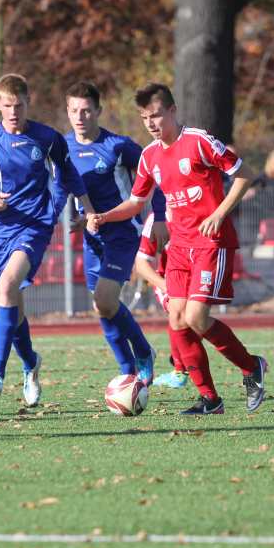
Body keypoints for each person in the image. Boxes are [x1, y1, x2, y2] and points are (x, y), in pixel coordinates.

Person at [88, 83, 267, 416]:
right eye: (145, 118)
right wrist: (106, 216)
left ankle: (251, 366)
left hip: (210, 241)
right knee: (177, 318)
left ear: (172, 111)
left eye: (156, 115)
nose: (152, 123)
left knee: (196, 317)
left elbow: (245, 175)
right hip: (180, 245)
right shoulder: (149, 156)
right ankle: (210, 400)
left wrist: (218, 214)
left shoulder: (199, 142)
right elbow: (136, 202)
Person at [0, 73, 93, 406]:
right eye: (7, 105)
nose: (13, 112)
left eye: (18, 105)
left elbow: (68, 174)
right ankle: (30, 365)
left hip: (35, 226)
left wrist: (85, 209)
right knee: (14, 309)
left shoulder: (47, 138)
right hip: (1, 230)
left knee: (7, 287)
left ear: (27, 103)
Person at [63, 81, 163, 384]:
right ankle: (127, 371)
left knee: (105, 301)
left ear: (98, 111)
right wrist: (77, 219)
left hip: (122, 234)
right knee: (101, 307)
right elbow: (60, 187)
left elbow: (155, 172)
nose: (80, 117)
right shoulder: (63, 147)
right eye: (74, 111)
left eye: (86, 111)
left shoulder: (118, 146)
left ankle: (143, 352)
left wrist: (158, 214)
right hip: (91, 238)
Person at [132, 215, 188, 390]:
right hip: (168, 281)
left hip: (197, 275)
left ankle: (250, 365)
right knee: (177, 311)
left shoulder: (197, 210)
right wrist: (167, 287)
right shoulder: (156, 219)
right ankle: (180, 370)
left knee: (197, 321)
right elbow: (141, 264)